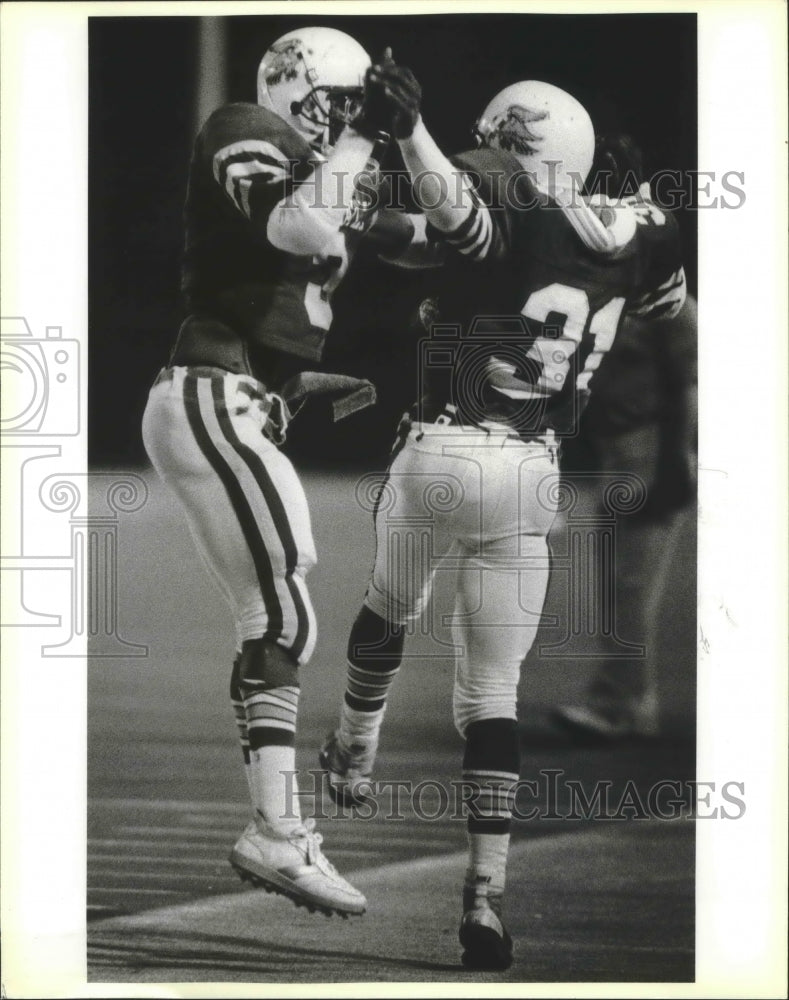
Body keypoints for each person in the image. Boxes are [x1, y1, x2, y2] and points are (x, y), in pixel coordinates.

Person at [318, 66, 687, 966]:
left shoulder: (504, 207)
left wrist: (404, 137)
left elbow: (452, 212)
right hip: (531, 474)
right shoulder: (642, 235)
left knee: (389, 608)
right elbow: (657, 296)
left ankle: (356, 750)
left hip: (443, 450)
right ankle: (484, 904)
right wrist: (622, 212)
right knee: (491, 699)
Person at [141, 27, 418, 918]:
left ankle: (278, 826)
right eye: (342, 102)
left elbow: (429, 238)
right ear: (301, 89)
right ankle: (275, 831)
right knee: (281, 611)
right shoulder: (241, 126)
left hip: (243, 397)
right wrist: (372, 138)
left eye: (355, 108)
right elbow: (295, 221)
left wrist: (532, 212)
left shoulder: (327, 159)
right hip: (210, 394)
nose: (346, 119)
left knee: (278, 608)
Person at [553, 135, 697, 739]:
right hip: (618, 449)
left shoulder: (669, 300)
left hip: (650, 448)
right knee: (616, 583)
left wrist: (681, 461)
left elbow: (690, 386)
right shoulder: (602, 286)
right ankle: (625, 698)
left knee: (630, 584)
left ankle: (626, 703)